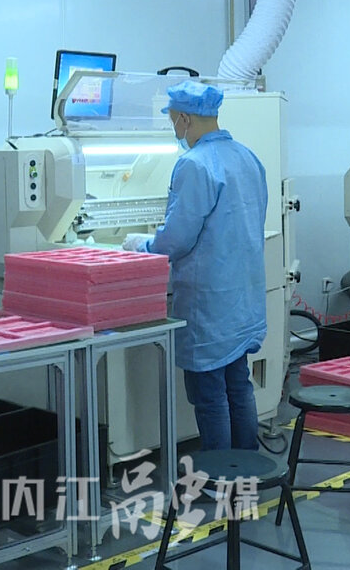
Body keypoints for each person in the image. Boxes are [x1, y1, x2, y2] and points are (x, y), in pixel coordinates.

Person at [122, 80, 267, 451]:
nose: (174, 128)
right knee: (238, 386)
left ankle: (221, 476)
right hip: (243, 297)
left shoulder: (194, 164)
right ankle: (246, 470)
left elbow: (177, 238)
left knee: (210, 397)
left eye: (173, 119)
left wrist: (142, 246)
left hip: (210, 304)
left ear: (185, 118)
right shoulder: (247, 157)